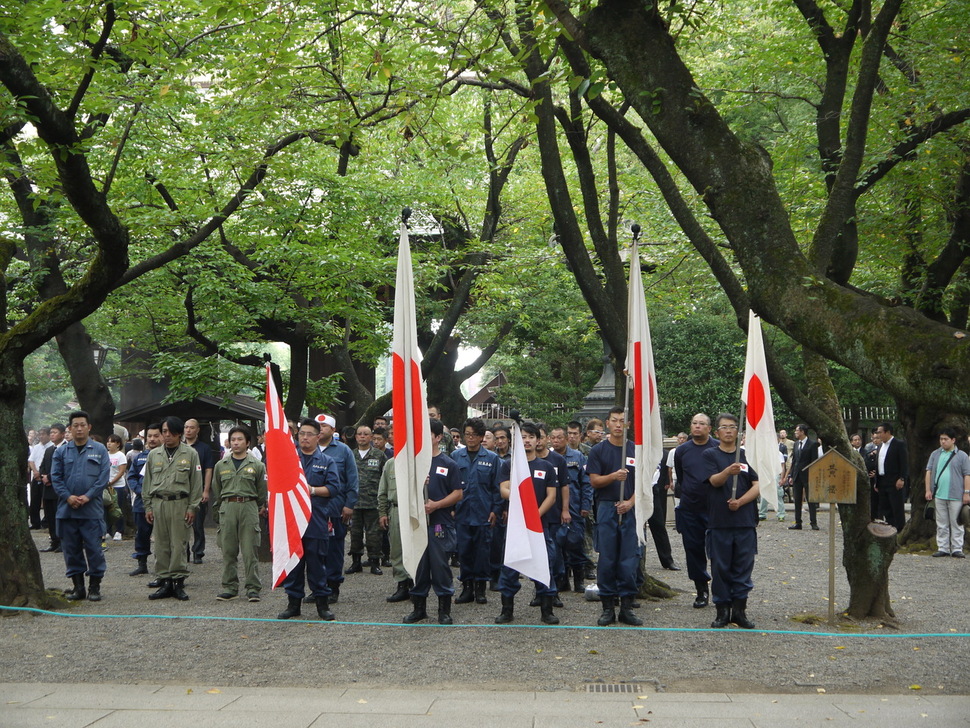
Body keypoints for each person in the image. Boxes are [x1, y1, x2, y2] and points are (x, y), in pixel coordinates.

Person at [278, 418, 345, 620]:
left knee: (317, 564)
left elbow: (334, 489)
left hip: (316, 519)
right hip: (293, 521)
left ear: (318, 437)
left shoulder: (326, 461)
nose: (305, 438)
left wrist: (312, 490)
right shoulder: (290, 459)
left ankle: (322, 605)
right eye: (301, 434)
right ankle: (293, 604)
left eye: (309, 434)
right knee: (294, 565)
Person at [495, 422, 560, 625]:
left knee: (544, 564)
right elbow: (503, 490)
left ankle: (546, 610)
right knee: (510, 567)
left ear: (538, 440)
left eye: (531, 437)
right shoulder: (510, 465)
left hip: (540, 526)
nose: (527, 441)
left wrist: (534, 515)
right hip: (516, 527)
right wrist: (519, 505)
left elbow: (552, 496)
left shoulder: (546, 467)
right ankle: (507, 610)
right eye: (523, 437)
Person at [403, 419, 464, 624]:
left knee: (440, 567)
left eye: (427, 434)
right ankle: (418, 608)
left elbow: (458, 493)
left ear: (438, 437)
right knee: (419, 566)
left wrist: (436, 505)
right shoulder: (413, 463)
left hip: (440, 523)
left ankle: (444, 610)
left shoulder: (449, 464)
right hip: (418, 523)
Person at [587, 407, 643, 626]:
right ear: (607, 424)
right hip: (607, 507)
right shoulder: (599, 451)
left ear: (627, 424)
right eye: (614, 421)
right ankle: (608, 607)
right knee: (608, 559)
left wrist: (630, 502)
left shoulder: (635, 450)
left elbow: (643, 482)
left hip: (630, 507)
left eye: (622, 421)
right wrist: (613, 476)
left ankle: (627, 607)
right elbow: (594, 481)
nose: (619, 425)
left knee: (629, 559)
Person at [703, 413, 760, 629]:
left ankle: (740, 611)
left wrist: (741, 501)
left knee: (743, 568)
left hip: (744, 522)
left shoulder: (747, 456)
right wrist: (728, 471)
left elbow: (757, 484)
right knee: (720, 568)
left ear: (738, 432)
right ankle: (722, 610)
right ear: (717, 432)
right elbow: (714, 481)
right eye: (724, 427)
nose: (728, 431)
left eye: (732, 427)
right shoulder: (710, 455)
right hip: (719, 522)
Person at [142, 416, 203, 601]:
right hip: (159, 503)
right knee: (161, 544)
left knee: (179, 543)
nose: (166, 435)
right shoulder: (154, 455)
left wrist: (192, 507)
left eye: (169, 431)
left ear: (178, 433)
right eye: (164, 431)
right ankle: (164, 580)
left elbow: (196, 483)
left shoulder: (190, 454)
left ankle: (178, 582)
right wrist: (148, 506)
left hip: (180, 503)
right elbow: (147, 483)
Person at [51, 411, 110, 602]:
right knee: (71, 550)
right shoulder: (61, 451)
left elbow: (103, 478)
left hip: (91, 510)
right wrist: (68, 497)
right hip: (67, 510)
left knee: (94, 549)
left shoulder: (100, 449)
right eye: (75, 425)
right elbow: (56, 477)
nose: (78, 428)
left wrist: (87, 496)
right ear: (69, 428)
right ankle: (78, 587)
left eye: (82, 425)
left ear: (89, 427)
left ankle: (94, 587)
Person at [212, 425, 268, 602]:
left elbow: (261, 490)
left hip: (249, 507)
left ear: (248, 443)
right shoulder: (221, 465)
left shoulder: (257, 465)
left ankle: (253, 588)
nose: (236, 443)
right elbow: (217, 488)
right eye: (233, 439)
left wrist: (258, 505)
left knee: (250, 549)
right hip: (228, 506)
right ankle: (230, 587)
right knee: (228, 549)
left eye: (240, 439)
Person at [453, 417, 504, 606]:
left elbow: (497, 487)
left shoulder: (492, 459)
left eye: (474, 435)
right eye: (467, 435)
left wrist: (496, 510)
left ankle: (481, 588)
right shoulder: (456, 457)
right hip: (462, 512)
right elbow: (451, 485)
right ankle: (467, 587)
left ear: (482, 437)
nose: (470, 438)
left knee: (482, 552)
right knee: (464, 551)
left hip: (484, 512)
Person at [674, 413, 719, 608]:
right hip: (690, 508)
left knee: (718, 550)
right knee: (693, 550)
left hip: (715, 508)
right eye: (694, 423)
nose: (697, 427)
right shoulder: (682, 450)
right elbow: (682, 478)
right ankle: (701, 589)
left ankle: (721, 589)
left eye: (702, 424)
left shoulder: (718, 447)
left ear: (709, 428)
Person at [315, 413, 359, 602]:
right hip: (313, 510)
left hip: (335, 508)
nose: (320, 429)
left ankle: (333, 586)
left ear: (333, 430)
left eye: (324, 426)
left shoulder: (343, 451)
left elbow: (352, 479)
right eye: (318, 425)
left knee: (334, 549)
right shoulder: (308, 449)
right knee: (314, 549)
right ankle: (317, 586)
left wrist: (349, 505)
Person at [550, 426, 593, 590]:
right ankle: (562, 580)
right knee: (558, 545)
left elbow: (586, 483)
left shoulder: (578, 457)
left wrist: (586, 505)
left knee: (575, 543)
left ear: (566, 439)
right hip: (554, 508)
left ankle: (579, 580)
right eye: (553, 438)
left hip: (575, 507)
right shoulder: (548, 458)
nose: (556, 441)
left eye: (560, 437)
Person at [346, 424, 387, 576]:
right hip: (354, 503)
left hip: (373, 502)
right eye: (359, 434)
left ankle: (374, 562)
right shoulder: (350, 455)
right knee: (355, 534)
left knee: (374, 535)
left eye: (366, 434)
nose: (362, 436)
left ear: (371, 437)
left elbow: (385, 478)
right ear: (356, 437)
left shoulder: (379, 456)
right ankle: (356, 562)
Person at [924, 427, 970, 558]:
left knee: (957, 522)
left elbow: (967, 475)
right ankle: (943, 547)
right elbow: (929, 471)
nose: (943, 442)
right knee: (941, 522)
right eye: (941, 439)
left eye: (946, 439)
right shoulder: (935, 454)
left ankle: (957, 548)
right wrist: (928, 489)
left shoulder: (962, 456)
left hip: (956, 494)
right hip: (939, 493)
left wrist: (967, 492)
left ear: (953, 440)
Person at [378, 458, 412, 602]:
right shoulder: (390, 463)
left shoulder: (419, 459)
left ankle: (416, 585)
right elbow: (383, 490)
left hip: (415, 510)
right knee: (397, 549)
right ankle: (402, 585)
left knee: (415, 549)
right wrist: (383, 512)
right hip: (396, 509)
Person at [128, 423, 160, 576]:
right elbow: (132, 477)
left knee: (164, 535)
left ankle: (164, 566)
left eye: (156, 436)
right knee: (142, 533)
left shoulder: (167, 457)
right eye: (150, 436)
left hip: (161, 501)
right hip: (142, 502)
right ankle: (142, 563)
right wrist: (141, 491)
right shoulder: (140, 457)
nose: (152, 439)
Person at [184, 418, 215, 565]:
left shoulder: (204, 448)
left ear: (197, 430)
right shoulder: (179, 447)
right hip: (182, 490)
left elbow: (209, 469)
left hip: (198, 490)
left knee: (197, 524)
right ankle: (183, 552)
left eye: (191, 428)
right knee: (182, 524)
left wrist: (206, 490)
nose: (188, 430)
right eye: (186, 427)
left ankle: (198, 552)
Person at [874, 421, 908, 531]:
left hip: (895, 481)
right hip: (882, 480)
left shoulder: (899, 444)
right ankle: (890, 529)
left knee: (897, 508)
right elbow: (878, 464)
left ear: (887, 432)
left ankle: (899, 530)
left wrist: (902, 478)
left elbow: (904, 463)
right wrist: (876, 481)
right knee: (886, 507)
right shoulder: (880, 446)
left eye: (880, 432)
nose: (878, 435)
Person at [38, 423, 66, 553]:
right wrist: (43, 476)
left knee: (59, 515)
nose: (52, 435)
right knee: (49, 515)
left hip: (59, 488)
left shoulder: (67, 448)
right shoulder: (49, 450)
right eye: (51, 433)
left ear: (62, 434)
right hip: (47, 488)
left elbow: (64, 468)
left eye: (55, 432)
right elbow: (43, 465)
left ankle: (62, 541)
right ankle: (54, 540)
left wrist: (50, 477)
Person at [787, 424, 819, 530]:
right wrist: (791, 475)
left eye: (797, 431)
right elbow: (795, 460)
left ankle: (813, 522)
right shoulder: (796, 444)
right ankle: (798, 522)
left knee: (811, 499)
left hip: (808, 475)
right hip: (797, 475)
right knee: (797, 500)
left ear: (802, 432)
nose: (795, 432)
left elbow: (814, 461)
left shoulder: (812, 444)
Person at [105, 434, 129, 540]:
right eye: (108, 441)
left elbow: (121, 471)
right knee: (106, 508)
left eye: (112, 442)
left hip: (118, 485)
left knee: (117, 508)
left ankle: (119, 530)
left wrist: (112, 482)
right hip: (106, 485)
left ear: (118, 444)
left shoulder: (120, 455)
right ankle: (107, 530)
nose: (109, 444)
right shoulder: (105, 455)